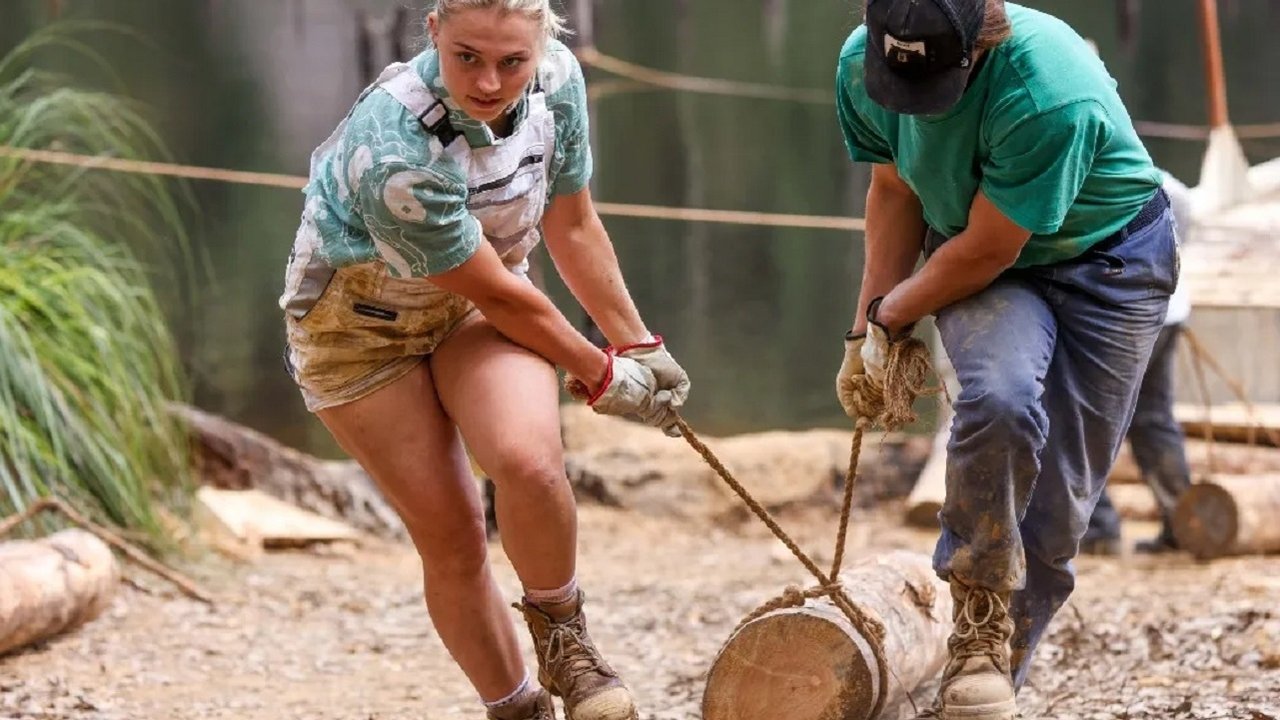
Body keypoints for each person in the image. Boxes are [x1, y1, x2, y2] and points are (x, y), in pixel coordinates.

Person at [277, 2, 690, 719]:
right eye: (467, 56)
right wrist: (599, 372)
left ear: (543, 46)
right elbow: (503, 298)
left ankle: (565, 640)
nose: (491, 82)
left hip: (470, 308)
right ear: (433, 29)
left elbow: (573, 223)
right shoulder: (396, 149)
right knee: (455, 535)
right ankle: (516, 706)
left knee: (529, 463)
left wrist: (639, 346)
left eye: (512, 61)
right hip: (356, 333)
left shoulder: (558, 84)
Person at [833, 1, 1178, 718]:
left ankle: (989, 675)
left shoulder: (1049, 91)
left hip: (1108, 263)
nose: (919, 114)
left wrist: (893, 315)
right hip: (975, 250)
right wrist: (862, 337)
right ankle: (978, 624)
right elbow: (893, 192)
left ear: (978, 46)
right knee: (999, 397)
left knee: (1056, 510)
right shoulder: (861, 61)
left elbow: (994, 247)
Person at [1082, 172, 1196, 557]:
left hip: (1124, 313)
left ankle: (1097, 529)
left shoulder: (1098, 174)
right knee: (1153, 419)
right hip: (1167, 308)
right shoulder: (1163, 180)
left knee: (1087, 417)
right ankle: (1183, 525)